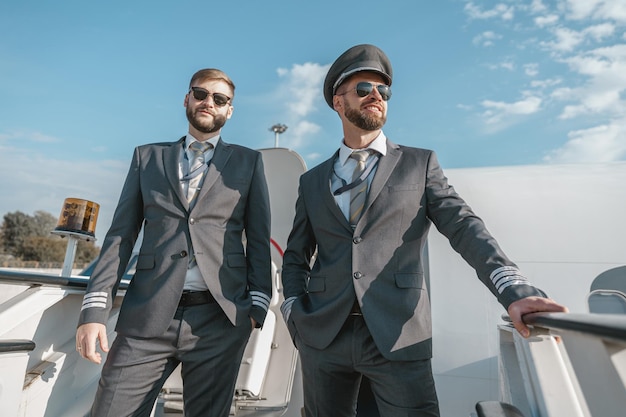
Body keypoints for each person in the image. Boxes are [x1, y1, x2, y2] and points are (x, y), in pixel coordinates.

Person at [280, 44, 568, 417]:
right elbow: (296, 256)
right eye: (365, 89)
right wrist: (293, 312)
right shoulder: (312, 181)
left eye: (384, 92)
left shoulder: (419, 164)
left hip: (398, 334)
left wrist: (514, 290)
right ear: (338, 102)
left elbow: (464, 227)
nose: (377, 97)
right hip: (323, 335)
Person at [75, 68, 272, 417]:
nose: (208, 102)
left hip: (220, 320)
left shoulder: (248, 162)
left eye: (220, 99)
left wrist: (256, 308)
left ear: (230, 110)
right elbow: (121, 236)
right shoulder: (147, 157)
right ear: (187, 99)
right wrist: (93, 311)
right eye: (200, 94)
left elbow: (257, 239)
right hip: (146, 317)